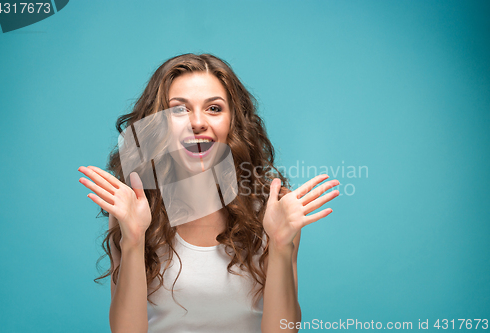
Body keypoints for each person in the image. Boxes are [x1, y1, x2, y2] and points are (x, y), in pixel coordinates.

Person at [78, 53, 340, 333]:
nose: (198, 122)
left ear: (233, 123)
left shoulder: (274, 209)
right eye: (179, 110)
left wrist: (279, 244)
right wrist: (133, 240)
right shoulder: (134, 210)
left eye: (214, 109)